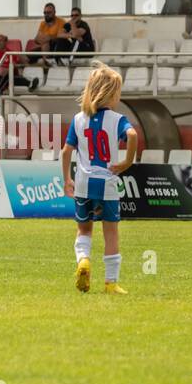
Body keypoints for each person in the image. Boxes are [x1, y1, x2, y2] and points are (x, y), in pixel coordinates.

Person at [59, 62, 139, 295]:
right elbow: (132, 135)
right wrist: (127, 161)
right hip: (108, 184)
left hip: (83, 184)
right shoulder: (117, 119)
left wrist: (67, 180)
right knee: (111, 233)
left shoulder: (78, 119)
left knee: (84, 231)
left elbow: (66, 152)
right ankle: (111, 283)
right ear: (112, 94)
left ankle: (83, 261)